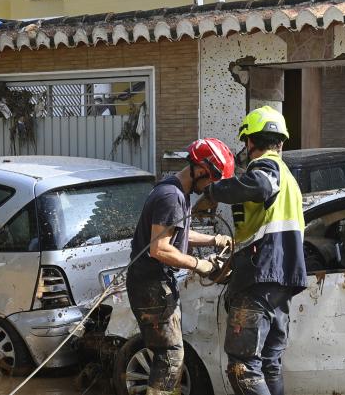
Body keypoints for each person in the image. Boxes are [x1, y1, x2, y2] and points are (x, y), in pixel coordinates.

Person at [200, 105, 307, 395]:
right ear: (281, 141)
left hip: (260, 276)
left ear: (249, 142)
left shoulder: (267, 166)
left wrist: (212, 192)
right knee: (269, 362)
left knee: (243, 365)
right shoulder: (289, 178)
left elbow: (259, 185)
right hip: (281, 280)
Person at [126, 138, 236, 395]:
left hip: (153, 283)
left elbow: (178, 233)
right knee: (169, 356)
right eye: (213, 180)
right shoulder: (171, 196)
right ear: (200, 170)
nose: (212, 188)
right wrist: (201, 265)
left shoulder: (177, 192)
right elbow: (160, 248)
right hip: (151, 284)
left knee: (169, 354)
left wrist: (214, 239)